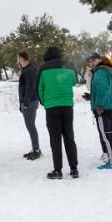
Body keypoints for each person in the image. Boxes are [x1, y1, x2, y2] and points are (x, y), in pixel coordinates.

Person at [37, 46, 79, 179]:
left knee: (55, 139)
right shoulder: (69, 66)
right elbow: (75, 81)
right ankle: (74, 169)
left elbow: (39, 88)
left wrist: (44, 102)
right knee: (69, 137)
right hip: (67, 106)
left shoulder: (43, 68)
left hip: (51, 107)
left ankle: (58, 170)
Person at [85, 53, 112, 169]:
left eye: (93, 60)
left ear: (98, 60)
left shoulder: (100, 72)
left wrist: (99, 105)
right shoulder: (107, 70)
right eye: (90, 61)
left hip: (103, 109)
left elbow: (102, 89)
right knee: (109, 134)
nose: (91, 63)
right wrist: (91, 97)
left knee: (106, 135)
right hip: (109, 106)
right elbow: (107, 89)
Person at [16, 52, 42, 160]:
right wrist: (21, 103)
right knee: (30, 126)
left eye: (17, 58)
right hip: (28, 102)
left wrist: (25, 102)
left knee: (31, 126)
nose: (17, 60)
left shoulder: (29, 70)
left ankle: (36, 150)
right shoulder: (26, 69)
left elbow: (31, 87)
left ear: (22, 58)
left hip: (30, 102)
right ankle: (35, 148)